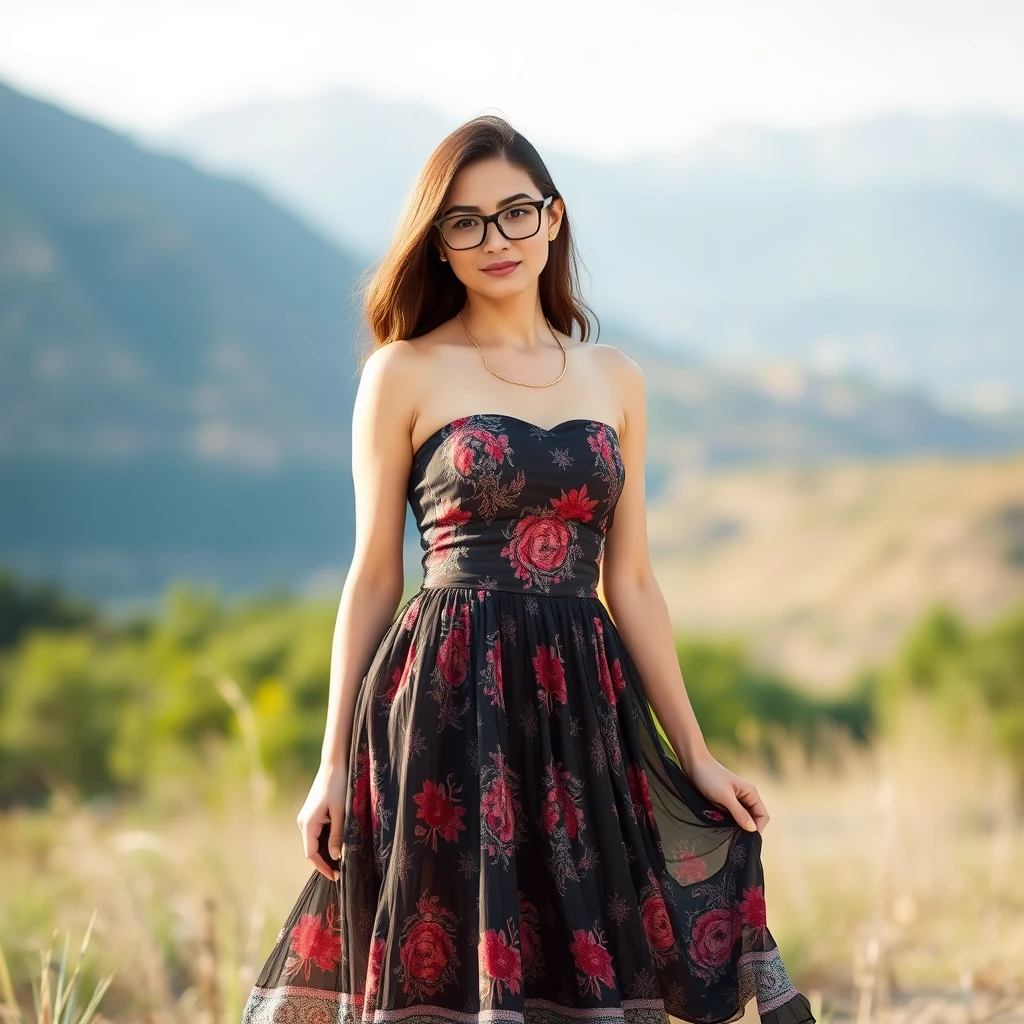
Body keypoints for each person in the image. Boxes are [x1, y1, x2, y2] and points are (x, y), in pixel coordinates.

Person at [240, 114, 816, 1024]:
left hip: (580, 704)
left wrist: (696, 756)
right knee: (450, 966)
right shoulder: (403, 371)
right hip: (441, 701)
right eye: (464, 223)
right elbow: (373, 578)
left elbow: (630, 582)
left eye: (514, 214)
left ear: (553, 218)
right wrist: (330, 764)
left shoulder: (615, 377)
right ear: (439, 243)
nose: (495, 240)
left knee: (576, 956)